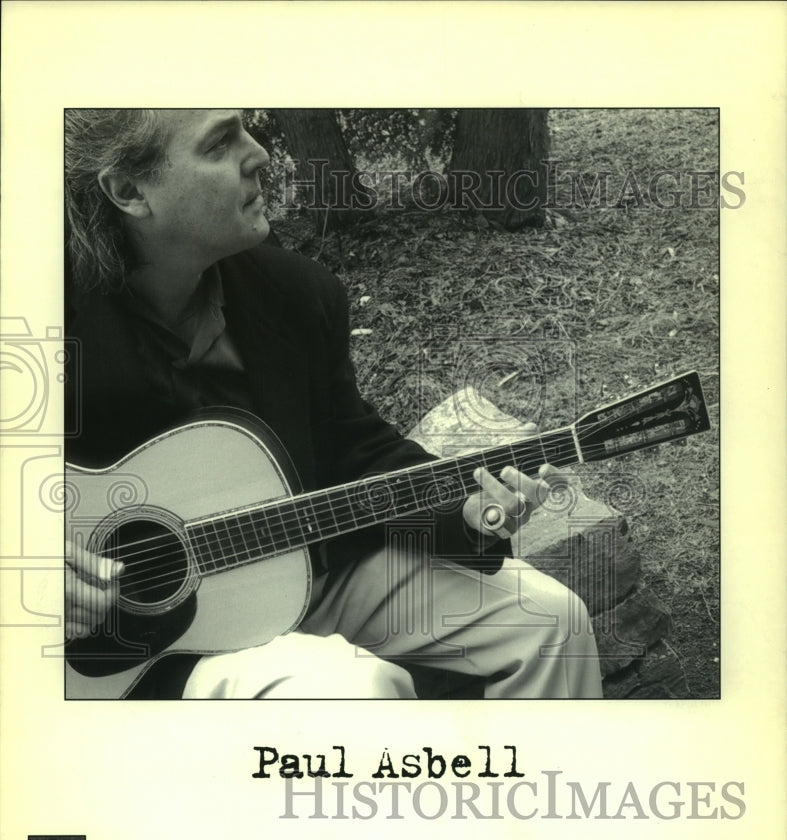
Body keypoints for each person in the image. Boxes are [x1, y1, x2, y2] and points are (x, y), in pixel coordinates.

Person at [64, 108, 602, 700]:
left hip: (306, 572)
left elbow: (353, 446)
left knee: (554, 623)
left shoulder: (294, 292)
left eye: (246, 127)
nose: (259, 154)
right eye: (220, 143)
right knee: (353, 690)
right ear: (128, 190)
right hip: (155, 649)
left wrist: (465, 511)